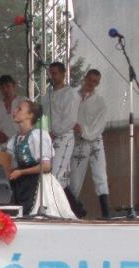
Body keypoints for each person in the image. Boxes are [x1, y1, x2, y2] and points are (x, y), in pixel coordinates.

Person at [7, 100, 76, 218]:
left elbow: (46, 166)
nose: (14, 111)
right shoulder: (14, 139)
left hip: (39, 184)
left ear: (30, 115)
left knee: (40, 216)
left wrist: (21, 172)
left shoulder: (38, 135)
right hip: (21, 184)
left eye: (19, 109)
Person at [69, 69, 111, 218]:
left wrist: (84, 131)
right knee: (75, 177)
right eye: (90, 80)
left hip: (95, 141)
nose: (91, 84)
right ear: (84, 77)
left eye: (95, 82)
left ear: (98, 84)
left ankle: (106, 212)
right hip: (78, 141)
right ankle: (73, 210)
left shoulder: (100, 102)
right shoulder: (73, 95)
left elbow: (100, 125)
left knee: (100, 175)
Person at [41, 62, 80, 191]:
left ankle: (55, 208)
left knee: (55, 174)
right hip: (49, 137)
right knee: (46, 174)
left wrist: (54, 132)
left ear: (63, 74)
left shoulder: (71, 94)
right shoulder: (47, 95)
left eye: (55, 73)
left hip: (64, 137)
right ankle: (72, 207)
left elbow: (70, 120)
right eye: (50, 73)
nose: (52, 76)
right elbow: (44, 116)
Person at [0, 75, 28, 149]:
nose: (5, 90)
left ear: (14, 86)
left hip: (24, 143)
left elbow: (33, 119)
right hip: (5, 145)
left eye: (8, 86)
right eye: (2, 87)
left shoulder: (23, 101)